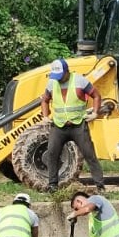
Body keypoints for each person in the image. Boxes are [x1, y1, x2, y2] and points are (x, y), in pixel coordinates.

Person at [40, 58, 105, 193]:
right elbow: (45, 100)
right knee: (52, 154)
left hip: (78, 125)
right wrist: (45, 116)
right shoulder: (52, 83)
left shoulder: (80, 81)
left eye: (60, 75)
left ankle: (100, 185)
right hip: (59, 125)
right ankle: (53, 185)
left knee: (89, 155)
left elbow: (96, 96)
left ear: (66, 72)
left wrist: (95, 113)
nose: (58, 79)